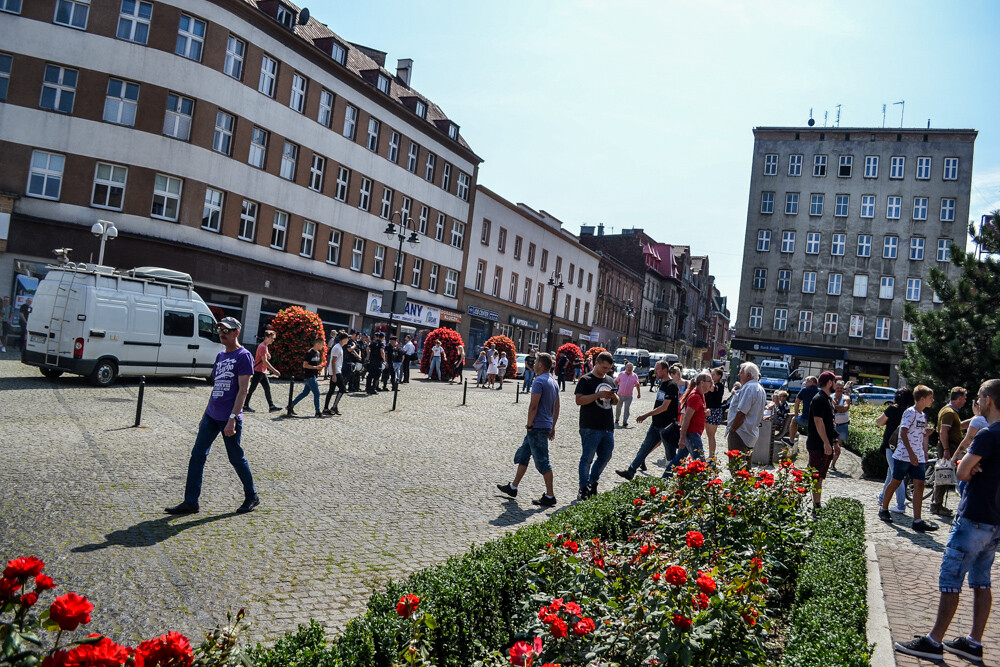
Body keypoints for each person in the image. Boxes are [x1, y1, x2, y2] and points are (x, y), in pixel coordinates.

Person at [893, 379, 1000, 663]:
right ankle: (974, 643)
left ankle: (933, 640)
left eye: (979, 397)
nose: (977, 401)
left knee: (951, 578)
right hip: (994, 520)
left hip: (973, 516)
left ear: (988, 400)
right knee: (981, 581)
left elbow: (962, 472)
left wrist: (969, 463)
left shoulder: (989, 434)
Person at [165, 317, 259, 515]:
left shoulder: (244, 356)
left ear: (236, 333)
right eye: (220, 329)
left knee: (236, 458)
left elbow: (243, 391)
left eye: (227, 330)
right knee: (197, 455)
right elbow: (216, 388)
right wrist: (204, 414)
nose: (222, 333)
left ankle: (252, 495)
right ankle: (191, 502)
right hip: (211, 416)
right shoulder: (220, 356)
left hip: (229, 418)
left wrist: (233, 418)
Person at [496, 353, 560, 507]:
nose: (534, 364)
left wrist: (529, 425)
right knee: (524, 455)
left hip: (536, 427)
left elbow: (533, 406)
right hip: (544, 425)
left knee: (543, 462)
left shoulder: (539, 381)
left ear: (541, 365)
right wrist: (553, 426)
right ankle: (513, 487)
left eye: (536, 361)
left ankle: (550, 496)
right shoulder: (553, 381)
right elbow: (556, 407)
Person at [879, 385, 938, 532]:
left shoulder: (923, 415)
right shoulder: (909, 412)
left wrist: (926, 433)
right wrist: (910, 453)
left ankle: (917, 520)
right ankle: (884, 508)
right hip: (904, 455)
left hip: (917, 456)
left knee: (920, 485)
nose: (933, 400)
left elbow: (917, 433)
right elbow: (903, 433)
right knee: (896, 482)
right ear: (922, 399)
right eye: (930, 398)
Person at [615, 362, 681, 480]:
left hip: (667, 426)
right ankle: (631, 471)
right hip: (656, 424)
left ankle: (674, 478)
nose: (655, 372)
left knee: (670, 454)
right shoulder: (662, 383)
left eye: (657, 370)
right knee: (645, 447)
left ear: (665, 370)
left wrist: (646, 415)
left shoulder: (671, 385)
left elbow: (664, 407)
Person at [575, 351, 619, 500]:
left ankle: (592, 482)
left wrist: (614, 397)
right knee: (587, 458)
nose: (606, 371)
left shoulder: (610, 380)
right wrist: (598, 395)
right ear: (596, 363)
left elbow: (616, 402)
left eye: (609, 369)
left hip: (607, 426)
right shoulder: (586, 380)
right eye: (604, 367)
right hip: (590, 426)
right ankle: (583, 488)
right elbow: (579, 400)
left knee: (606, 456)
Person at [665, 372, 713, 475]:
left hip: (693, 433)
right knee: (700, 463)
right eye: (709, 381)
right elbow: (686, 419)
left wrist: (704, 413)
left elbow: (695, 414)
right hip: (692, 434)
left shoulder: (701, 395)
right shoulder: (695, 397)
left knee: (678, 460)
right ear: (702, 383)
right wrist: (682, 438)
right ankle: (703, 485)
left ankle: (665, 479)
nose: (712, 383)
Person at [877, 387, 913, 515]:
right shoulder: (911, 412)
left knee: (897, 476)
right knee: (891, 473)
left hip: (891, 445)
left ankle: (900, 505)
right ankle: (882, 497)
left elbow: (879, 422)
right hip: (905, 447)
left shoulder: (893, 409)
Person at [932, 386, 967, 516]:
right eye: (964, 398)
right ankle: (936, 505)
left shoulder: (950, 411)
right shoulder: (949, 412)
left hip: (950, 446)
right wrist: (946, 449)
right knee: (944, 476)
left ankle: (938, 504)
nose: (965, 401)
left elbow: (957, 427)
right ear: (958, 398)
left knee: (945, 475)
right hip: (948, 447)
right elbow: (943, 431)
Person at [806, 371, 838, 509]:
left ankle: (817, 502)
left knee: (819, 476)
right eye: (835, 381)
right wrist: (826, 442)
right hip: (817, 444)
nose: (836, 384)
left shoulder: (827, 399)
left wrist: (834, 442)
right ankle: (816, 504)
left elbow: (830, 423)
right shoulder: (819, 399)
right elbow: (818, 421)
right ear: (830, 382)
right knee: (815, 476)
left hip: (825, 443)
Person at [726, 362, 767, 456]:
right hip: (751, 432)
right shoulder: (759, 388)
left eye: (741, 373)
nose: (739, 375)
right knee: (745, 466)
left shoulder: (749, 387)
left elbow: (742, 412)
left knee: (736, 465)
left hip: (741, 432)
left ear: (748, 375)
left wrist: (733, 428)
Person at [952, 397, 988, 498]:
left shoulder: (977, 420)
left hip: (975, 457)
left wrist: (955, 456)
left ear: (976, 406)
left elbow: (967, 440)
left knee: (963, 486)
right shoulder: (991, 419)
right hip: (988, 458)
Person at [286, 337, 328, 418]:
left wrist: (319, 367)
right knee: (317, 394)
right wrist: (315, 368)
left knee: (305, 393)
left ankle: (290, 406)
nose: (322, 346)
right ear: (317, 343)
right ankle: (317, 411)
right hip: (309, 376)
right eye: (322, 345)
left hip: (314, 376)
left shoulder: (318, 353)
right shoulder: (309, 353)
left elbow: (315, 364)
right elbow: (304, 365)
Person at [244, 329, 282, 413]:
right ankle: (245, 405)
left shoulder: (265, 346)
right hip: (259, 371)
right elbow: (265, 361)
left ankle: (271, 406)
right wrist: (274, 370)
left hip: (262, 371)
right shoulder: (262, 347)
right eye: (272, 338)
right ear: (267, 337)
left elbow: (267, 358)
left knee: (266, 388)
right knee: (252, 389)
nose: (273, 340)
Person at [322, 332, 348, 416]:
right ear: (343, 339)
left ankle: (326, 408)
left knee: (331, 390)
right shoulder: (337, 348)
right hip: (336, 371)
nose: (347, 340)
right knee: (342, 389)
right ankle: (334, 406)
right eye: (347, 339)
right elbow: (333, 361)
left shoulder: (339, 347)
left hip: (336, 371)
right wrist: (333, 375)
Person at [704, 367, 726, 458]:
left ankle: (712, 456)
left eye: (713, 374)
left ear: (719, 376)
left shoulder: (719, 386)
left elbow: (712, 389)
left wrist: (708, 380)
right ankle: (710, 455)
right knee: (708, 434)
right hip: (707, 410)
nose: (712, 376)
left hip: (715, 411)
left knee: (711, 435)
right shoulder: (711, 385)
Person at [792, 376, 820, 442]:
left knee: (794, 420)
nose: (805, 383)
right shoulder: (820, 391)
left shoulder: (805, 390)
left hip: (805, 418)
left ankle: (791, 440)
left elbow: (797, 402)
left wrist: (796, 414)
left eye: (807, 381)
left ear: (812, 382)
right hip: (817, 419)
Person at [614, 362, 641, 428]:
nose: (629, 369)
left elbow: (637, 385)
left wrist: (639, 393)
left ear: (632, 369)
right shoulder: (621, 374)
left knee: (627, 408)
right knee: (618, 408)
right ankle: (617, 419)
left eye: (631, 368)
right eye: (628, 367)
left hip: (628, 395)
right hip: (620, 394)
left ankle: (625, 421)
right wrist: (614, 389)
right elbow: (616, 381)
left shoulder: (634, 375)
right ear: (626, 368)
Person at [831, 379, 850, 470]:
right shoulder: (830, 396)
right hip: (831, 425)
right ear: (835, 387)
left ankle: (833, 464)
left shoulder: (846, 398)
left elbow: (845, 408)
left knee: (838, 446)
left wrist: (834, 407)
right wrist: (839, 408)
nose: (839, 389)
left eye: (841, 388)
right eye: (837, 387)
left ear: (843, 389)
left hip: (842, 425)